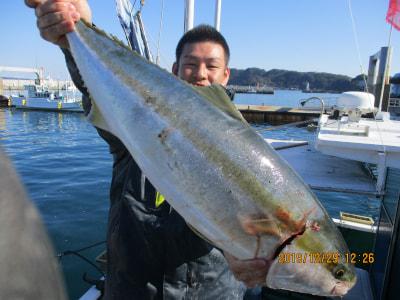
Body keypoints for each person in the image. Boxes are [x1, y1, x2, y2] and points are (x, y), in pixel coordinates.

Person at [25, 0, 271, 298]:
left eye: (211, 66)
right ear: (175, 70)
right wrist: (75, 31)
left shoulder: (249, 152)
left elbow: (263, 234)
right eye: (191, 64)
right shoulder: (136, 127)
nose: (201, 73)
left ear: (226, 76)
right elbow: (101, 93)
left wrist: (255, 262)